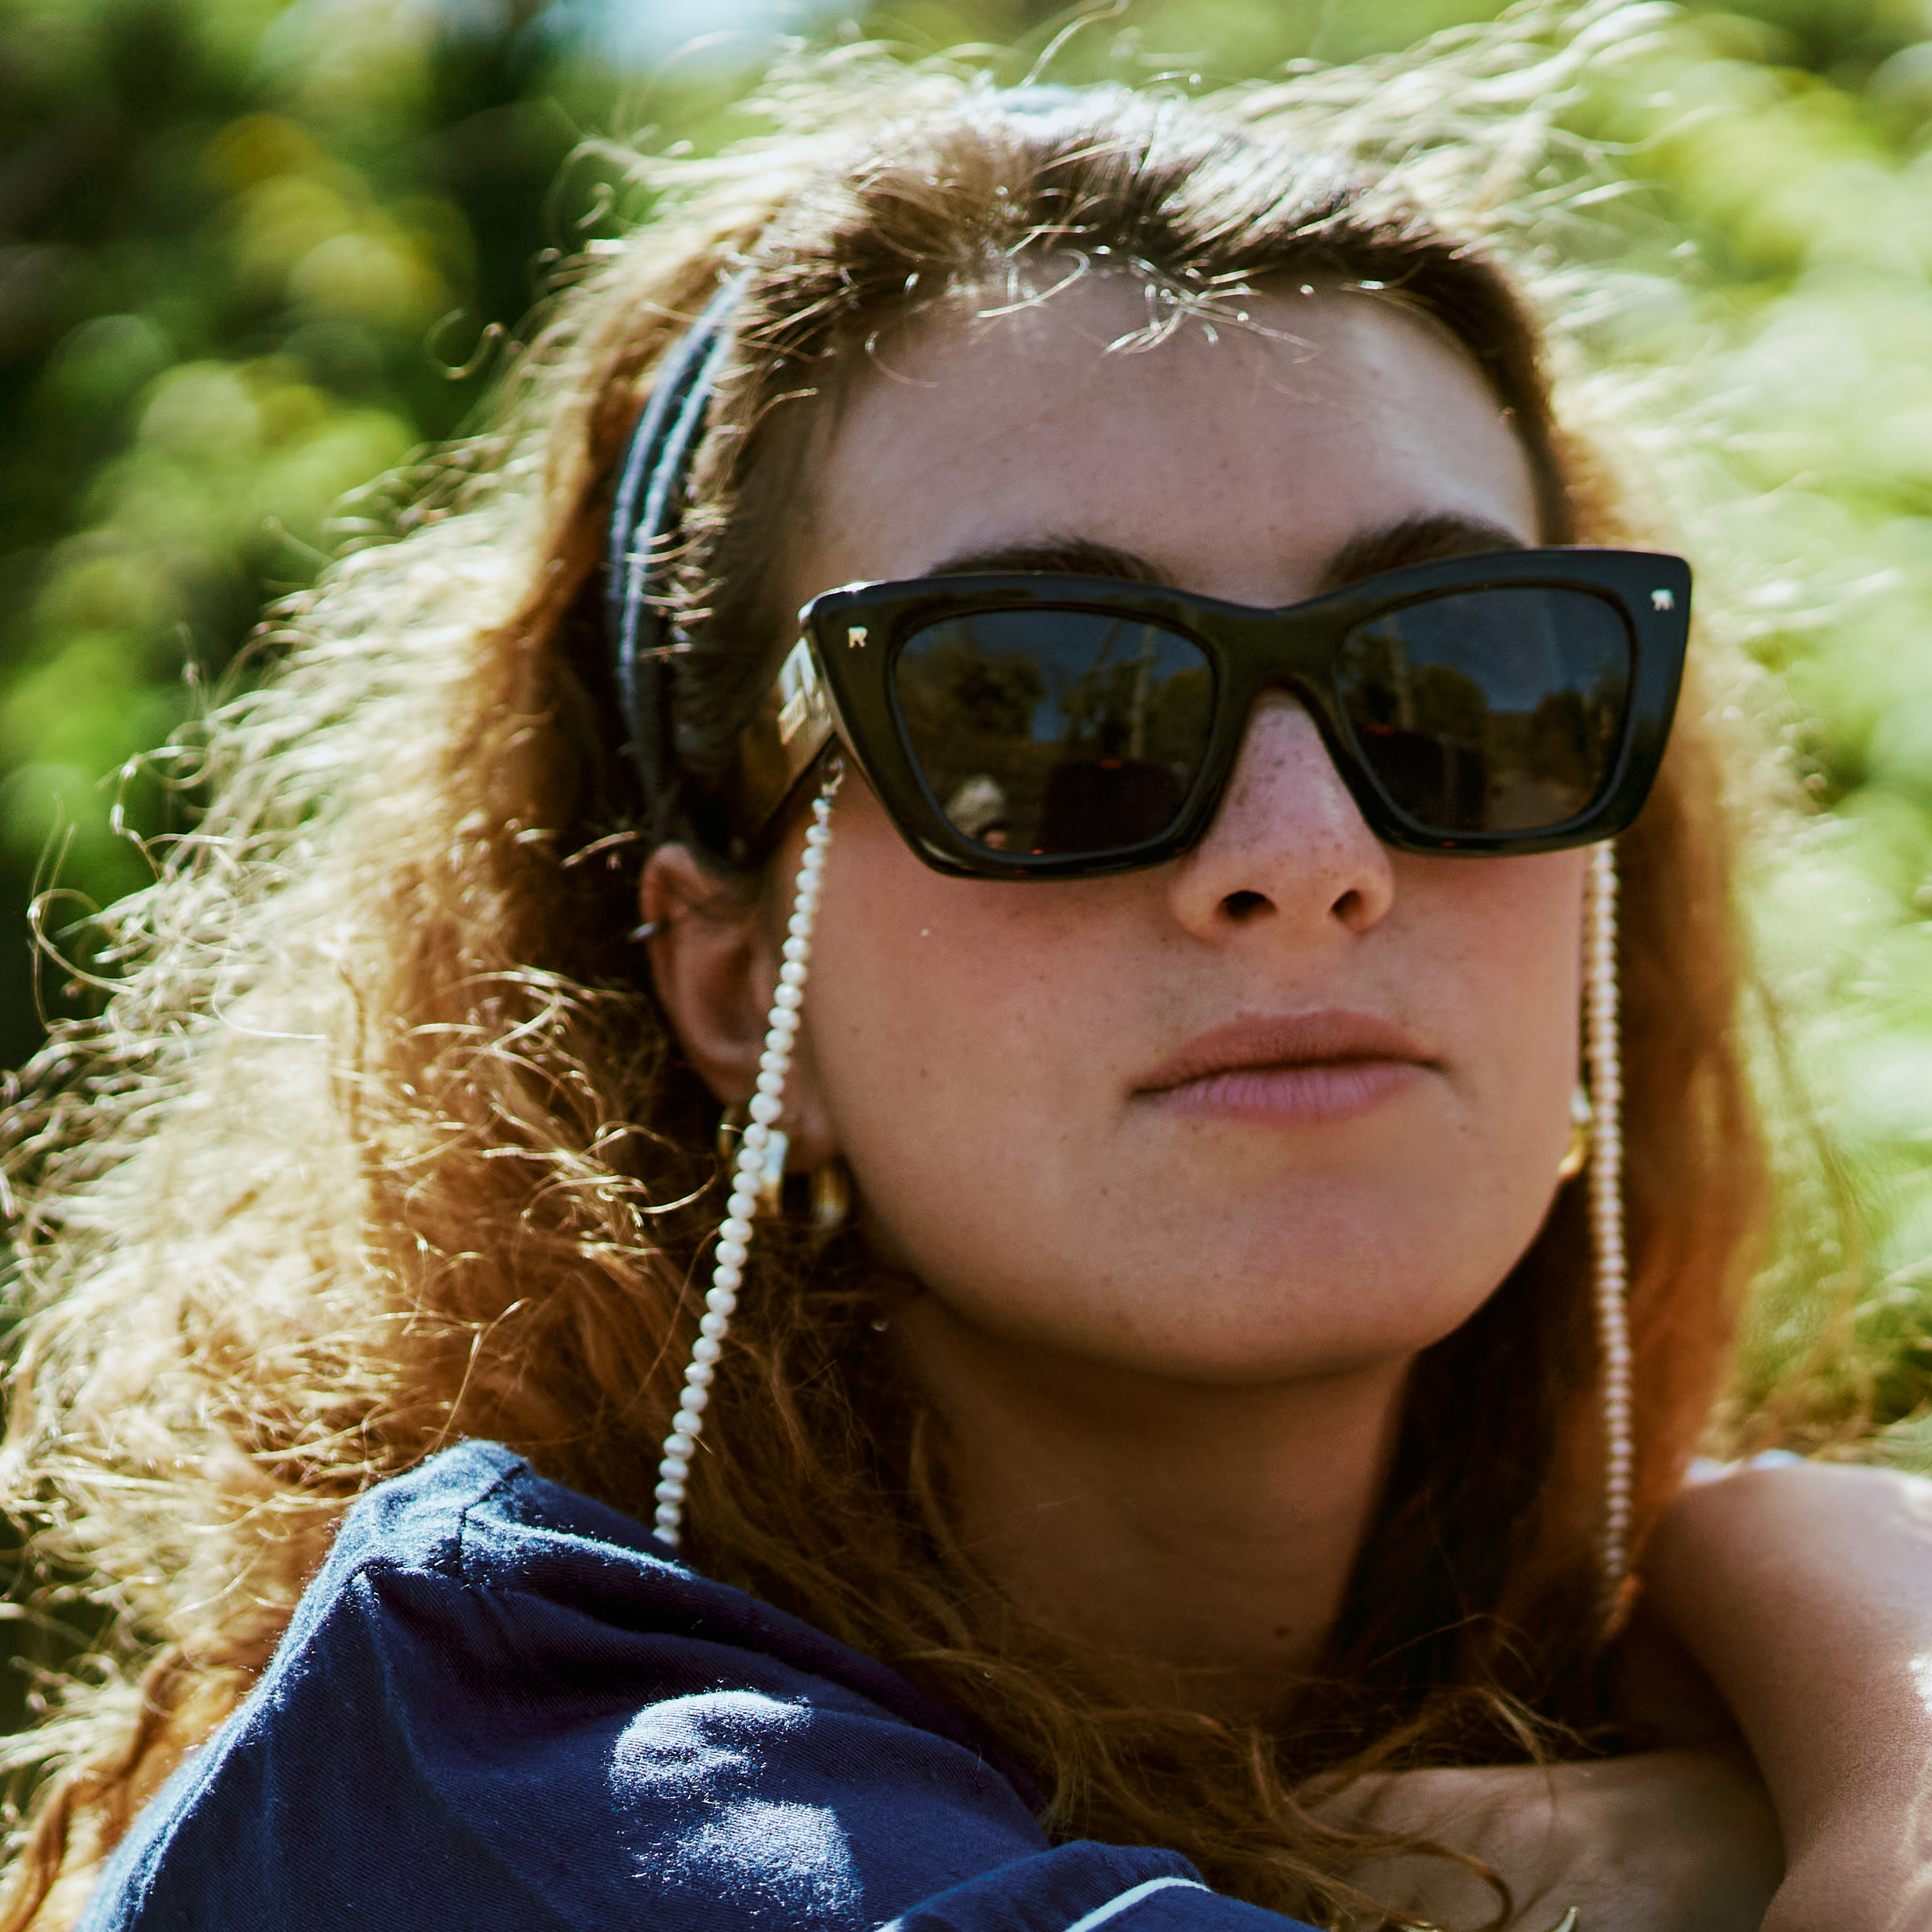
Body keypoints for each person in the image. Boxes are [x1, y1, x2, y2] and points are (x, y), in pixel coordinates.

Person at [5, 17, 1932, 1932]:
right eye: (1049, 712)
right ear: (742, 990)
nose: (1306, 854)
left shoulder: (1645, 1705)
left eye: (1457, 682)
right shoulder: (503, 1788)